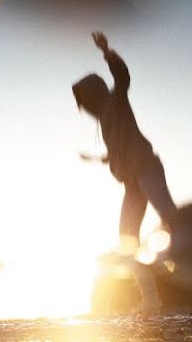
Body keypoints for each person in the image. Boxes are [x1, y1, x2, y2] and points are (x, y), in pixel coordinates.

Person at [72, 32, 177, 311]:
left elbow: (122, 76)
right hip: (132, 180)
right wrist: (97, 159)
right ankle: (151, 300)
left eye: (84, 101)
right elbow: (117, 151)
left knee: (172, 220)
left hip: (147, 168)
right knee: (127, 239)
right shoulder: (105, 119)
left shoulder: (116, 100)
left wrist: (107, 51)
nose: (84, 108)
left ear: (94, 93)